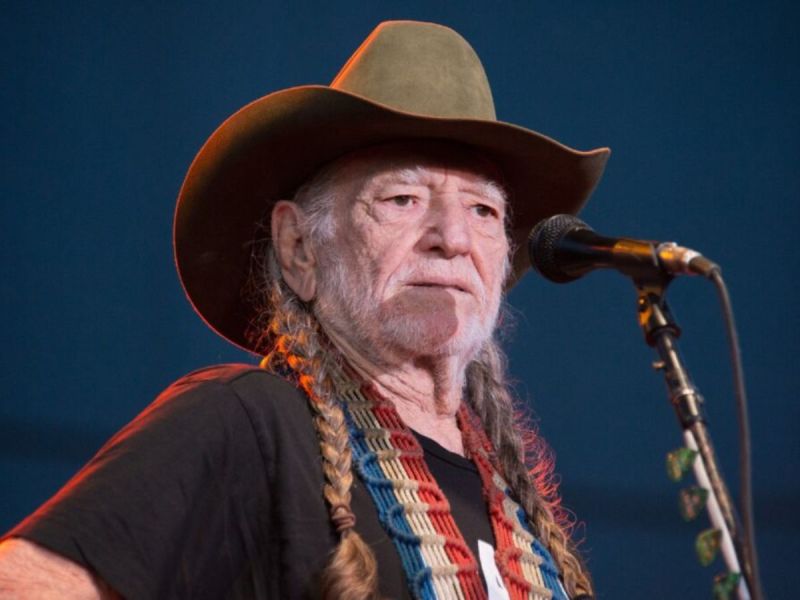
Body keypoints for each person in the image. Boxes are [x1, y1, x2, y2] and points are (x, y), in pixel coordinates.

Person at [0, 20, 609, 600]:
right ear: (299, 250)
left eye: (483, 210)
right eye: (401, 198)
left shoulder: (510, 500)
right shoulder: (249, 422)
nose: (452, 236)